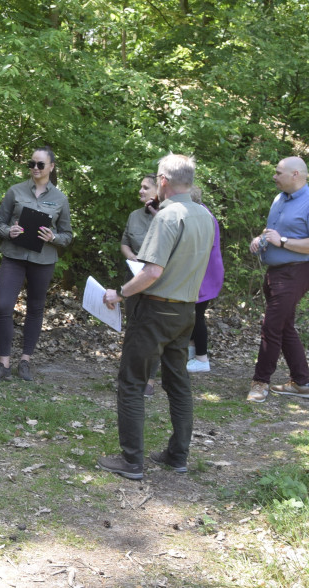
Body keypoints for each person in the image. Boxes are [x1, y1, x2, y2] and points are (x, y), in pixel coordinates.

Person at [97, 154, 214, 480]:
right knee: (178, 383)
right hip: (186, 311)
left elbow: (151, 271)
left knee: (132, 382)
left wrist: (119, 293)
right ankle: (178, 455)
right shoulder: (204, 215)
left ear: (163, 181)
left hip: (156, 310)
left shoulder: (168, 216)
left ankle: (132, 461)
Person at [246, 157, 309, 403]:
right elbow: (272, 231)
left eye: (278, 172)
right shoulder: (279, 199)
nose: (274, 176)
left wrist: (282, 242)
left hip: (296, 273)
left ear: (296, 174)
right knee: (284, 327)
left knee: (271, 326)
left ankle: (260, 383)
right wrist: (261, 238)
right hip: (275, 273)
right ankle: (302, 383)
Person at [0, 146, 73, 382]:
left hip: (43, 260)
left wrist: (53, 238)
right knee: (3, 306)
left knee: (35, 308)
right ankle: (3, 363)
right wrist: (9, 231)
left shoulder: (60, 198)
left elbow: (67, 234)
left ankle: (25, 361)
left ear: (51, 167)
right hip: (14, 256)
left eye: (40, 165)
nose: (35, 168)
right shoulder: (15, 191)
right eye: (31, 164)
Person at [120, 175, 162, 395]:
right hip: (134, 278)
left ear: (158, 191)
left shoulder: (167, 216)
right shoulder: (134, 216)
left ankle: (150, 379)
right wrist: (132, 257)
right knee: (133, 327)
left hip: (157, 282)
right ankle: (129, 375)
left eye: (146, 188)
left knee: (152, 330)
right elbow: (125, 242)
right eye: (141, 187)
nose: (141, 191)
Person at [186, 185, 224, 373]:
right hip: (205, 273)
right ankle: (192, 352)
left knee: (196, 315)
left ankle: (202, 358)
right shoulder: (203, 213)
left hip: (205, 275)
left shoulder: (201, 217)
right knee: (193, 314)